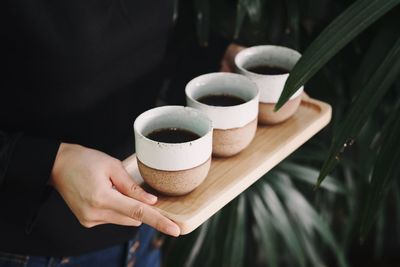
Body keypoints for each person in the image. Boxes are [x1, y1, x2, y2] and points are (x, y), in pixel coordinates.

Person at [1, 1, 232, 266]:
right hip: (31, 250)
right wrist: (51, 162)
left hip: (142, 232)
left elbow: (144, 38)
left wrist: (213, 56)